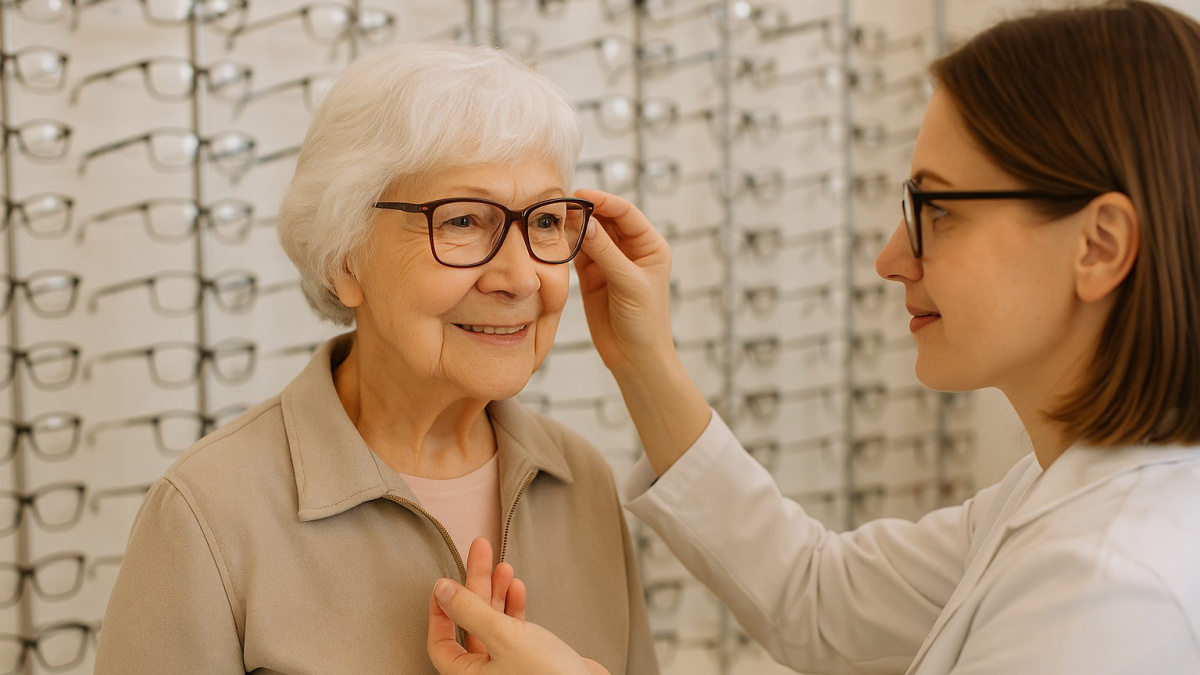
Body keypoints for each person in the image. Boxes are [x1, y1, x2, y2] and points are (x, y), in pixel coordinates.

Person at [425, 2, 1200, 673]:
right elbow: (814, 595)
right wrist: (642, 357)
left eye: (935, 209)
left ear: (1098, 246)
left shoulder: (1113, 593)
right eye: (462, 222)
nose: (891, 258)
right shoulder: (1062, 494)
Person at [93, 42, 658, 674]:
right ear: (344, 260)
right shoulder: (209, 512)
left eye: (546, 222)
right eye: (464, 221)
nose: (520, 277)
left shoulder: (581, 481)